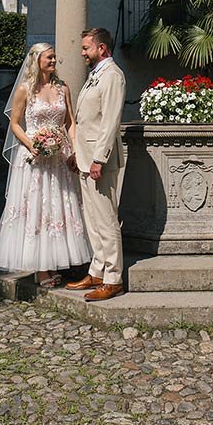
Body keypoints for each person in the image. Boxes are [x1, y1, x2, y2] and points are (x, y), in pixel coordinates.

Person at [0, 43, 91, 287]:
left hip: (59, 157)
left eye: (55, 56)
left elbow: (70, 122)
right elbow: (15, 123)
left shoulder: (63, 87)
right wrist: (31, 143)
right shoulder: (25, 90)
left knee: (59, 206)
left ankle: (58, 261)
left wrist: (75, 150)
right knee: (37, 208)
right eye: (49, 57)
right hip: (34, 158)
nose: (54, 60)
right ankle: (40, 268)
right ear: (37, 60)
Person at [66, 28, 126, 301]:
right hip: (86, 158)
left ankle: (113, 278)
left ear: (102, 48)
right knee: (92, 220)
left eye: (86, 48)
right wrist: (78, 154)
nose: (82, 52)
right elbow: (86, 118)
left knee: (106, 219)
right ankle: (98, 270)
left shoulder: (113, 76)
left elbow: (110, 121)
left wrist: (99, 159)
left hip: (99, 160)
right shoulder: (96, 74)